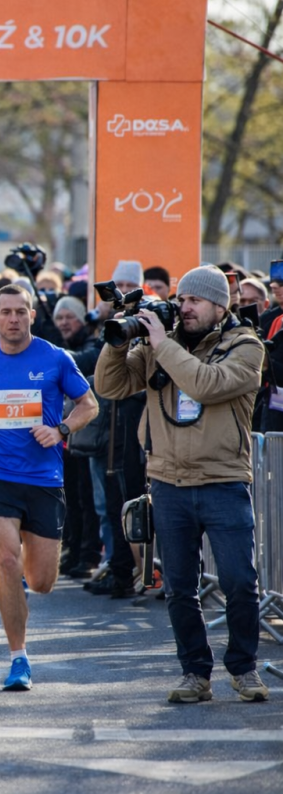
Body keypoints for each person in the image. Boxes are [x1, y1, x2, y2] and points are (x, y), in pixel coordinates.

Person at [95, 265, 270, 704]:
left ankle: (244, 668)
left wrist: (159, 342)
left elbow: (206, 384)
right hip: (168, 482)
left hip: (223, 481)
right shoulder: (162, 345)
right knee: (178, 587)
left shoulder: (245, 346)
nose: (184, 308)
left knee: (237, 580)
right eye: (182, 300)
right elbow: (110, 385)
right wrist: (122, 340)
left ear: (217, 305)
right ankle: (195, 672)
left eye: (194, 301)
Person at [0, 285, 97, 691]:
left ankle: (19, 595)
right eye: (6, 312)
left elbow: (89, 404)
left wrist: (61, 429)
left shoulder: (55, 358)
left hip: (43, 479)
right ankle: (19, 657)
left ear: (31, 315)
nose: (14, 318)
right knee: (7, 560)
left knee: (43, 581)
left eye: (21, 311)